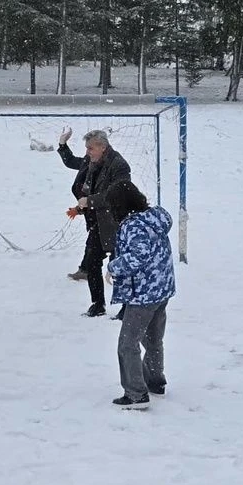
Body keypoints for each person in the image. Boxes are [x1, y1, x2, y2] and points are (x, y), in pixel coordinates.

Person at [105, 181, 175, 409]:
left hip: (143, 294)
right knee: (153, 339)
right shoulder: (154, 219)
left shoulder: (132, 226)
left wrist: (114, 267)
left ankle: (135, 393)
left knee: (127, 343)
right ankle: (155, 381)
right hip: (161, 289)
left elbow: (139, 256)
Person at [58, 127, 131, 317]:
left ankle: (126, 307)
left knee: (119, 266)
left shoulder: (119, 165)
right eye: (87, 148)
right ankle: (98, 304)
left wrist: (90, 201)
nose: (87, 152)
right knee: (91, 262)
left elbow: (116, 194)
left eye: (90, 148)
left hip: (117, 223)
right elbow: (72, 163)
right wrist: (62, 144)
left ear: (103, 147)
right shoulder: (92, 161)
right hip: (98, 223)